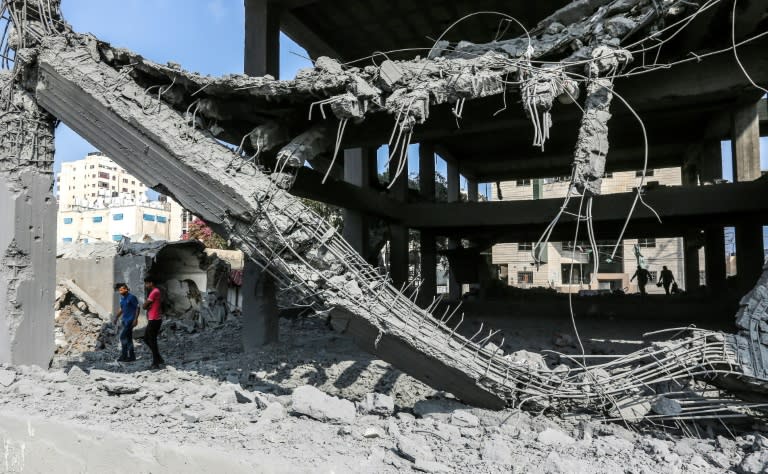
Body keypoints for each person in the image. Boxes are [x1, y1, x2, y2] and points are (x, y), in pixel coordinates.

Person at [142, 277, 164, 369]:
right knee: (146, 339)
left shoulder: (154, 292)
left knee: (152, 341)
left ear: (151, 283)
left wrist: (146, 305)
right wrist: (147, 306)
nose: (145, 285)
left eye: (146, 283)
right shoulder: (155, 291)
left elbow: (144, 306)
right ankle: (158, 358)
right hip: (153, 319)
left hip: (155, 319)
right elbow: (146, 305)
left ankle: (156, 362)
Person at [114, 284, 138, 362]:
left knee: (122, 337)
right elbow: (122, 309)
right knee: (129, 339)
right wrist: (116, 317)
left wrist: (135, 319)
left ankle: (124, 356)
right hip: (124, 321)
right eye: (119, 290)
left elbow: (138, 308)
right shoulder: (122, 299)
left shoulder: (132, 297)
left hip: (130, 321)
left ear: (126, 289)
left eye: (121, 290)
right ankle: (132, 357)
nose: (120, 292)